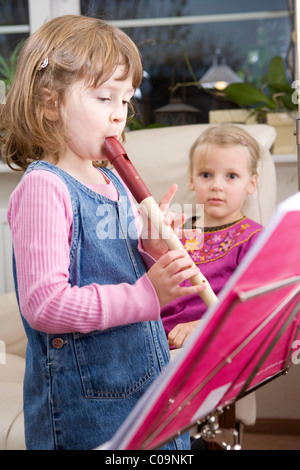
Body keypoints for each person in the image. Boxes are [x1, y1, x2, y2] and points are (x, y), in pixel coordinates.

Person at [0, 15, 205, 450]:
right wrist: (146, 295)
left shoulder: (114, 183)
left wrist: (151, 245)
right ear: (49, 103)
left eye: (126, 100)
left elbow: (122, 264)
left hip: (147, 387)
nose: (118, 114)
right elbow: (44, 305)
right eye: (103, 97)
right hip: (89, 414)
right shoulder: (45, 188)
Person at [161, 124, 263, 350]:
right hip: (156, 340)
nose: (217, 186)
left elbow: (257, 306)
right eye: (206, 175)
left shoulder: (255, 239)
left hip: (212, 341)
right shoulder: (174, 232)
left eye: (232, 176)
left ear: (251, 184)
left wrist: (204, 325)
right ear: (192, 180)